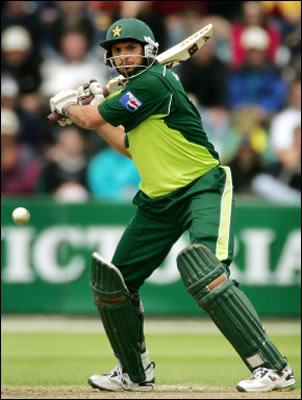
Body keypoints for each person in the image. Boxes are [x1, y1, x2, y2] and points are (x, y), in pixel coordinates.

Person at [49, 18, 295, 393]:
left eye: (129, 48)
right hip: (157, 200)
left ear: (148, 49)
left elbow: (92, 116)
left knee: (207, 274)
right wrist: (91, 112)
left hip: (201, 187)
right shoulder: (136, 94)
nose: (122, 56)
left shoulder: (153, 82)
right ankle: (133, 373)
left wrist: (73, 107)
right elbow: (127, 146)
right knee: (114, 285)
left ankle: (273, 367)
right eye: (116, 51)